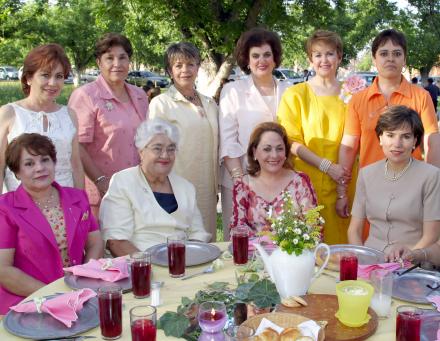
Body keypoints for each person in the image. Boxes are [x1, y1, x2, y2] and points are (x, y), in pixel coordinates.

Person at [337, 29, 440, 225]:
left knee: (408, 249)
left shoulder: (421, 96)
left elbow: (432, 142)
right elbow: (349, 148)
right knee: (371, 247)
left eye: (397, 53)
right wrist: (342, 191)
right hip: (370, 189)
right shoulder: (358, 101)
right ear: (374, 59)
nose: (390, 59)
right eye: (384, 53)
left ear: (404, 59)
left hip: (412, 190)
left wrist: (433, 189)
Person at [0, 133, 103, 314]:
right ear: (16, 172)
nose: (40, 168)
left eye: (45, 160)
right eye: (29, 163)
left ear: (54, 163)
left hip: (78, 295)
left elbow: (95, 243)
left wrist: (84, 279)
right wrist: (55, 295)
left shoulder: (77, 197)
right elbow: (3, 269)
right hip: (29, 300)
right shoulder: (5, 208)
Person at [278, 30, 352, 244]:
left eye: (329, 53)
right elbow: (291, 142)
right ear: (310, 59)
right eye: (317, 54)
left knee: (341, 246)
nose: (324, 60)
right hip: (306, 181)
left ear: (339, 57)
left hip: (346, 180)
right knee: (305, 245)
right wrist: (328, 167)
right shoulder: (296, 95)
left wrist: (341, 185)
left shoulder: (352, 95)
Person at [100, 118, 211, 255]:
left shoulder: (185, 187)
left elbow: (198, 233)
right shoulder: (124, 182)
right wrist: (149, 266)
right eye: (157, 148)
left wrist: (191, 259)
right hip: (139, 266)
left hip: (180, 263)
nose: (165, 155)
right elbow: (116, 241)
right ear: (141, 151)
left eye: (171, 149)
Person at [219, 28, 289, 240]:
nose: (262, 60)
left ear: (275, 58)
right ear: (246, 60)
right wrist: (241, 182)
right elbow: (228, 139)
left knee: (279, 241)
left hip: (280, 180)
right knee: (240, 245)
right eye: (255, 55)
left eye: (267, 54)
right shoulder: (232, 90)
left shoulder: (289, 90)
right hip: (240, 179)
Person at [68, 33, 149, 218]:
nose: (117, 64)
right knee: (101, 246)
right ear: (99, 62)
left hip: (136, 190)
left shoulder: (139, 95)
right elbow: (77, 146)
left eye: (122, 57)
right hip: (101, 194)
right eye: (109, 58)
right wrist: (100, 180)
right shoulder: (86, 96)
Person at [149, 42, 218, 241]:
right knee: (178, 247)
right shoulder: (161, 104)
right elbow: (154, 150)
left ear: (198, 67)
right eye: (178, 65)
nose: (185, 70)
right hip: (175, 187)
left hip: (206, 188)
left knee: (206, 243)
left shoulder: (210, 103)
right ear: (170, 71)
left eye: (190, 64)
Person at [347, 106, 440, 253]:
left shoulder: (431, 176)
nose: (397, 144)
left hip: (414, 263)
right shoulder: (366, 174)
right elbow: (354, 230)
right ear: (380, 138)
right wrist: (362, 257)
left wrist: (407, 260)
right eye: (390, 135)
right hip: (372, 260)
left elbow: (432, 235)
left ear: (415, 141)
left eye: (406, 136)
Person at [0, 43, 84, 193]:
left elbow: (76, 165)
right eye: (45, 75)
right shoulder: (8, 113)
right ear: (28, 78)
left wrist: (81, 205)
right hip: (20, 207)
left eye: (59, 76)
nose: (53, 83)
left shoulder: (69, 115)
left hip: (64, 204)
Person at [230, 122, 317, 235]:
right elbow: (236, 232)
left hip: (293, 252)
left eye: (279, 149)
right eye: (267, 149)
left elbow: (314, 229)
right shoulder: (242, 186)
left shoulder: (300, 182)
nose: (274, 155)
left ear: (286, 152)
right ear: (254, 152)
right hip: (254, 252)